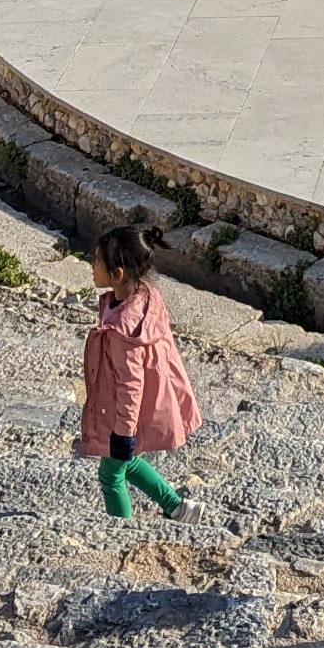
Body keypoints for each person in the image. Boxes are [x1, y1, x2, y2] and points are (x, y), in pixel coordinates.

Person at [79, 221, 199, 517]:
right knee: (126, 461)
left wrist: (123, 433)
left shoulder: (125, 333)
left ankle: (122, 534)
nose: (91, 266)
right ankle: (177, 507)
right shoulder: (144, 296)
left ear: (117, 273)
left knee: (111, 476)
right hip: (148, 404)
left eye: (96, 262)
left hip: (130, 416)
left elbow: (130, 385)